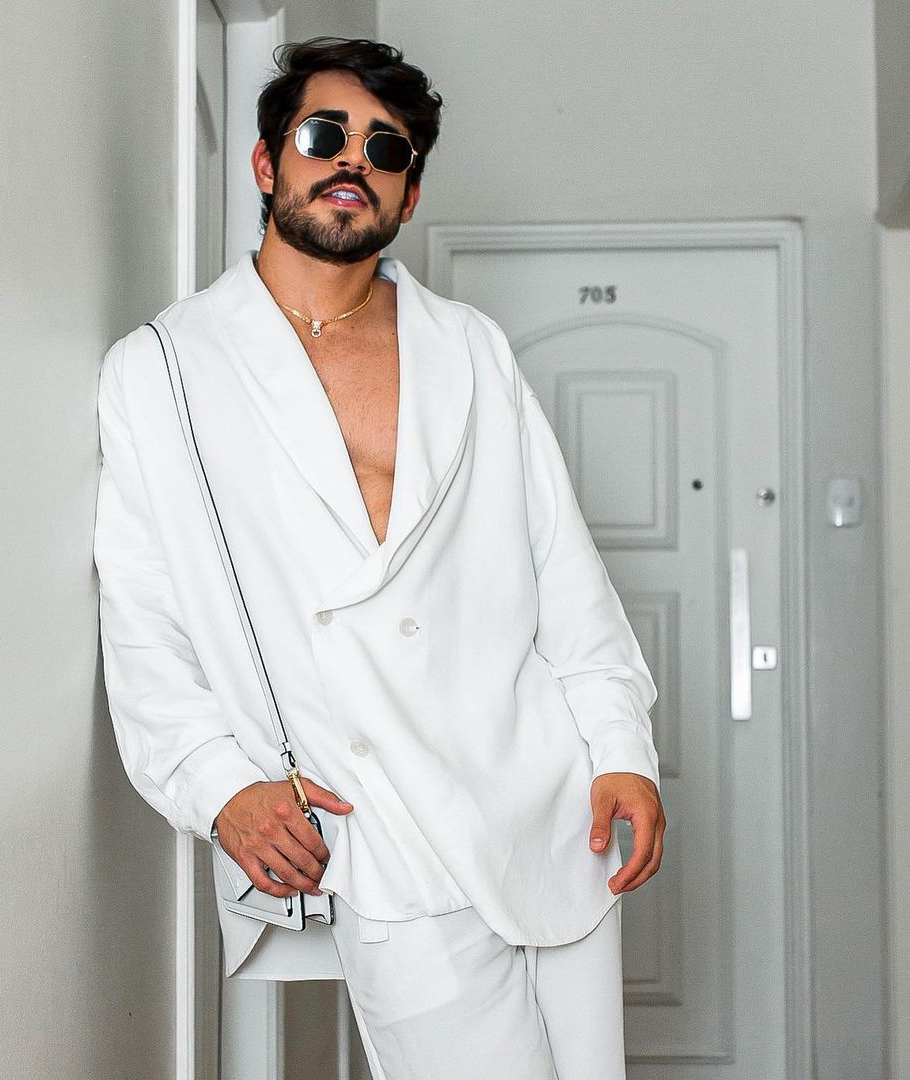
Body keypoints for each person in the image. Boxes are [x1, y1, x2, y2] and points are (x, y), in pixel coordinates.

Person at [94, 36, 666, 1080]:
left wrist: (621, 747)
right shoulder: (163, 369)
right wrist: (220, 786)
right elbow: (142, 615)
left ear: (410, 191)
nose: (354, 159)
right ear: (267, 162)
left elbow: (564, 572)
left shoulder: (471, 347)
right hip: (378, 826)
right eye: (325, 134)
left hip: (543, 804)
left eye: (388, 147)